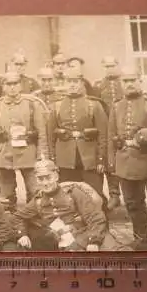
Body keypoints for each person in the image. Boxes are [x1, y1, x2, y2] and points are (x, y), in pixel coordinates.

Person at [108, 66, 147, 251]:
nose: (128, 84)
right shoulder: (116, 106)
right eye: (125, 81)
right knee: (133, 204)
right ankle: (141, 241)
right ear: (121, 83)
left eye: (132, 80)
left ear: (140, 80)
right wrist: (112, 163)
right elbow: (111, 135)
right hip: (125, 164)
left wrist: (143, 135)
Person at [12, 157, 128, 251]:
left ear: (56, 176)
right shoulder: (38, 199)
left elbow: (95, 218)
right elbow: (17, 217)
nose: (45, 183)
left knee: (119, 254)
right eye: (40, 179)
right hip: (61, 241)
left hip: (85, 233)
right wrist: (22, 234)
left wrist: (93, 240)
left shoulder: (73, 192)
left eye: (48, 178)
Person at [0, 71, 49, 211]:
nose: (12, 87)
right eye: (8, 84)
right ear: (3, 87)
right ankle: (9, 223)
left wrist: (41, 156)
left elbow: (42, 133)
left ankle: (34, 220)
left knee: (35, 191)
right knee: (5, 195)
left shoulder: (32, 104)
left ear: (20, 85)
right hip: (4, 153)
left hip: (28, 153)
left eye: (15, 84)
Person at [50, 68, 108, 206]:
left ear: (82, 83)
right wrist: (53, 160)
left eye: (75, 81)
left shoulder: (94, 105)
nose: (72, 85)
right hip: (65, 160)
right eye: (69, 81)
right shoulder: (56, 106)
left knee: (95, 196)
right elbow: (51, 136)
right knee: (67, 196)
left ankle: (99, 225)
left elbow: (103, 135)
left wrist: (101, 160)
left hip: (89, 159)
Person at [93, 56, 125, 210]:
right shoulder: (99, 85)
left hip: (123, 126)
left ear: (118, 66)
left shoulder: (125, 83)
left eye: (112, 65)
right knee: (108, 160)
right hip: (106, 126)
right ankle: (114, 194)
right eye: (107, 66)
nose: (110, 69)